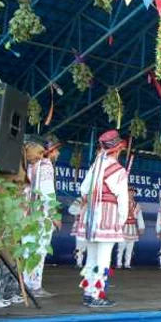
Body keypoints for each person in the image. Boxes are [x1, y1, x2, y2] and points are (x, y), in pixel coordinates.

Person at [74, 129, 129, 308]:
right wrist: (121, 220)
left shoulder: (95, 166)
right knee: (104, 259)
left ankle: (89, 293)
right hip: (107, 216)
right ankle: (98, 295)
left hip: (90, 215)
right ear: (118, 149)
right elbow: (122, 198)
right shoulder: (119, 170)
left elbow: (83, 190)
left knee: (92, 257)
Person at [22, 137, 62, 298]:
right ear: (50, 150)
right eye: (57, 150)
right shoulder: (46, 165)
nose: (58, 153)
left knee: (26, 249)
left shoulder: (28, 165)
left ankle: (24, 284)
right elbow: (47, 193)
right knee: (39, 250)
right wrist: (54, 215)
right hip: (41, 215)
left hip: (26, 214)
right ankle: (34, 286)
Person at [115, 188, 145, 269]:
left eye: (132, 193)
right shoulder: (121, 203)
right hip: (123, 227)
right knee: (121, 247)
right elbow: (117, 215)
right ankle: (119, 263)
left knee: (130, 247)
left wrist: (141, 227)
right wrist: (116, 225)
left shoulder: (137, 205)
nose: (131, 194)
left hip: (132, 227)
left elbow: (139, 217)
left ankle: (127, 263)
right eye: (129, 192)